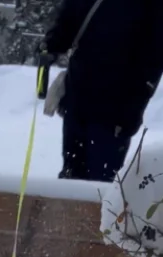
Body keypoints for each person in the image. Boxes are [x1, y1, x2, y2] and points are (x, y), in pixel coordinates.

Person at [41, 0, 163, 181]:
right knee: (71, 177)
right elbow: (69, 19)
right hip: (78, 97)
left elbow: (154, 57)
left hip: (116, 110)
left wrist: (132, 110)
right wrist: (51, 46)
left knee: (102, 186)